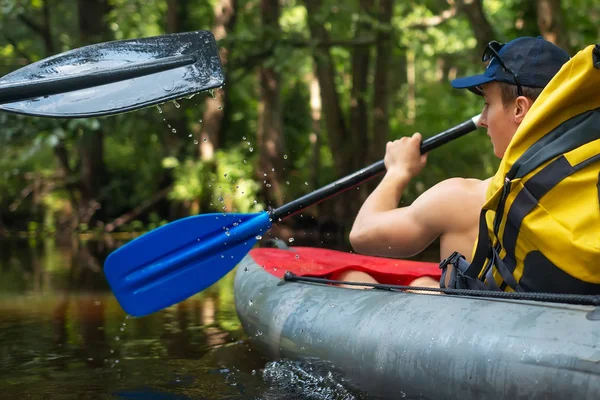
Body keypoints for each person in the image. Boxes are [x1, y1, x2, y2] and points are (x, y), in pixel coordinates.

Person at [339, 37, 571, 289]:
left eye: (487, 104)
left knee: (355, 280)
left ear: (519, 110)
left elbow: (362, 234)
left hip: (488, 326)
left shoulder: (467, 200)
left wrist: (398, 171)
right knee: (425, 283)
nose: (483, 119)